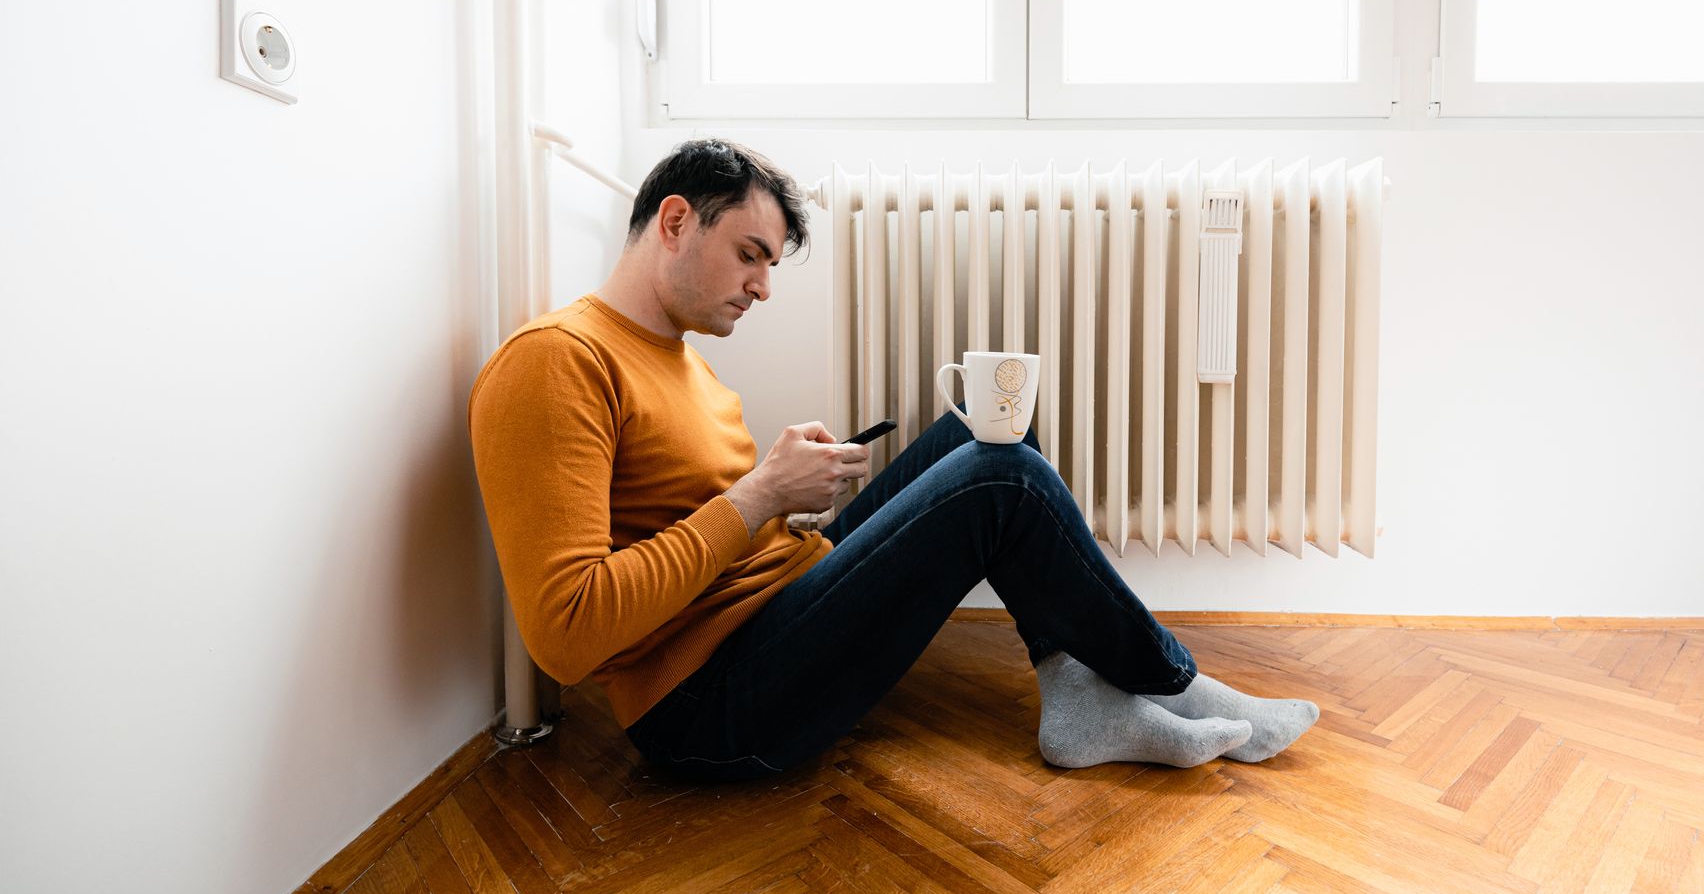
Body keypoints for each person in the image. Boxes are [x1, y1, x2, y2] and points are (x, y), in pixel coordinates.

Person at [467, 138, 1319, 783]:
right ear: (677, 221)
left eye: (769, 265)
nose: (763, 286)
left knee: (988, 431)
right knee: (1002, 480)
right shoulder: (556, 361)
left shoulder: (680, 357)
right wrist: (762, 495)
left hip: (769, 610)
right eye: (751, 255)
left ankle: (1079, 695)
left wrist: (787, 498)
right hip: (707, 708)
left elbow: (704, 526)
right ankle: (1173, 682)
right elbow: (567, 635)